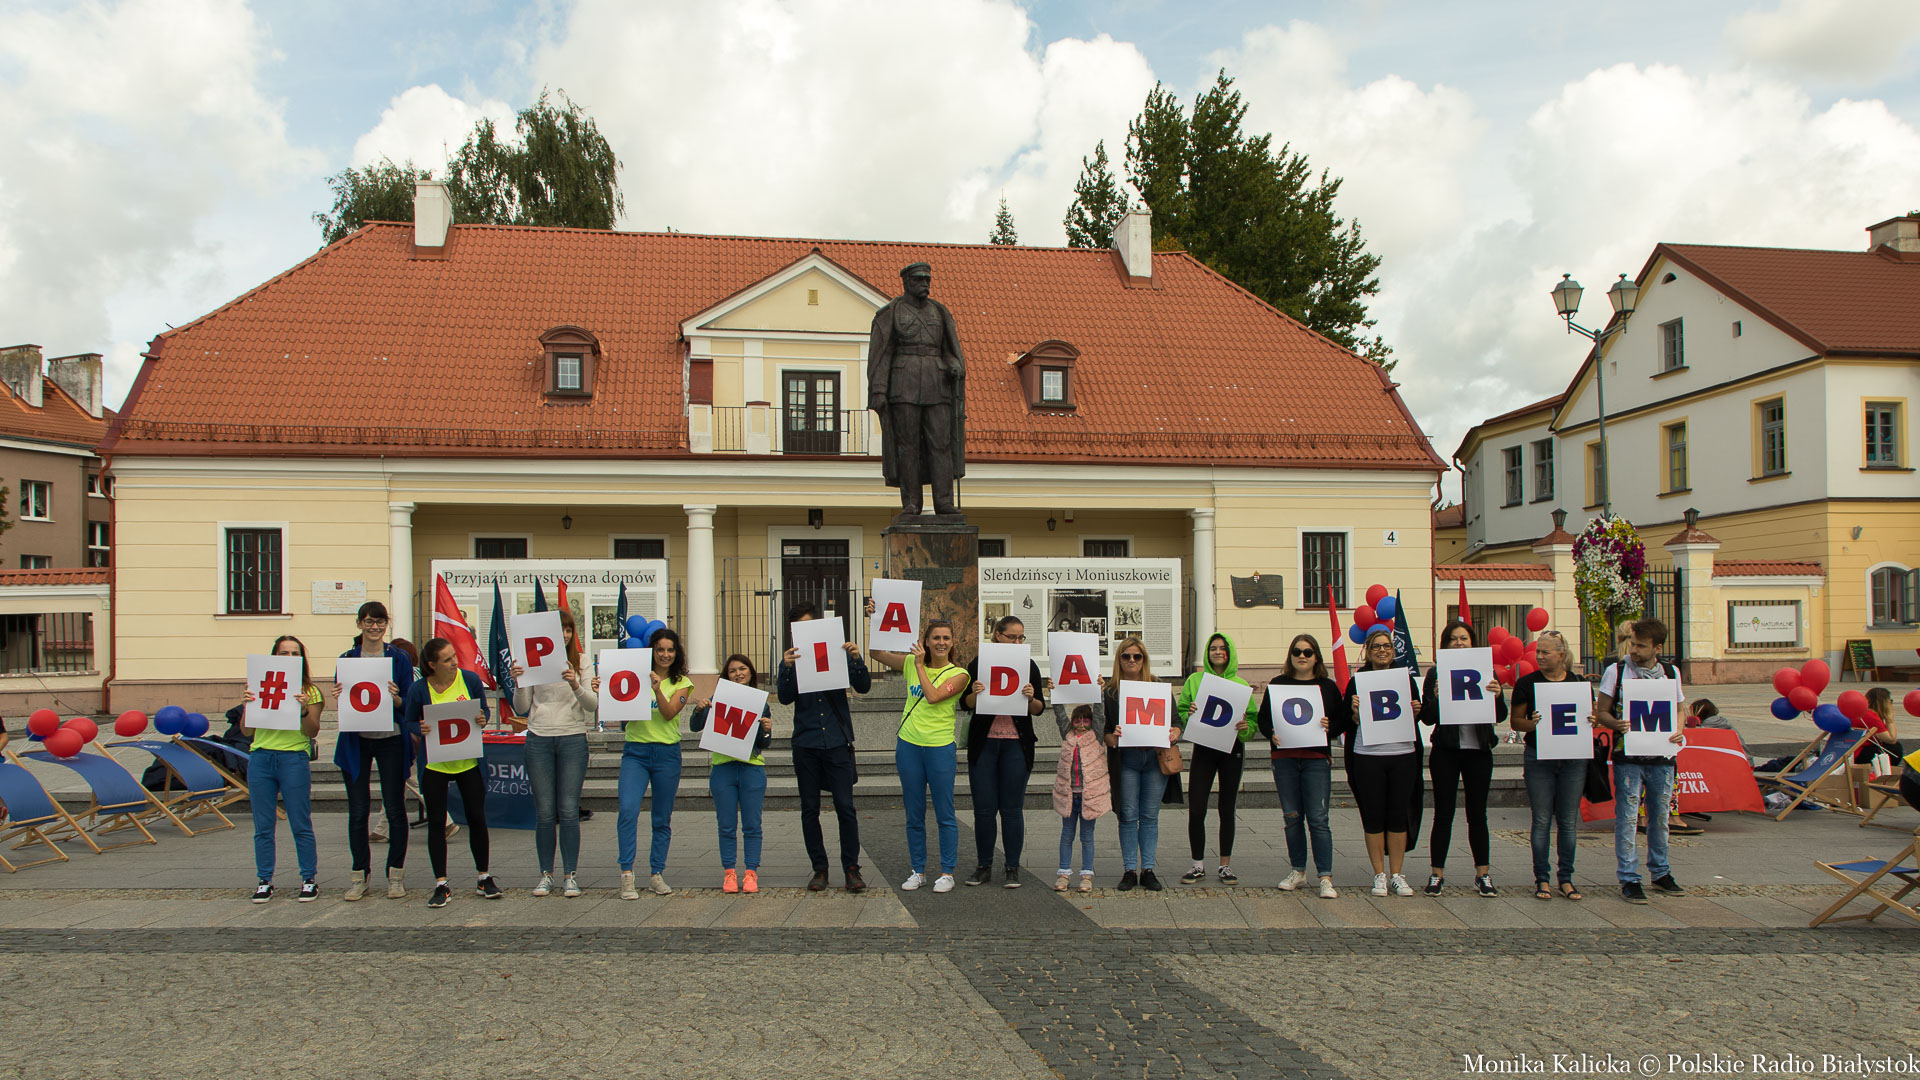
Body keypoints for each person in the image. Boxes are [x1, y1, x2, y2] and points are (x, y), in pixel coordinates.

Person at [870, 618, 969, 892]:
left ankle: (947, 872)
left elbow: (934, 696)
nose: (940, 643)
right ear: (926, 641)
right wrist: (875, 619)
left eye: (946, 638)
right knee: (914, 813)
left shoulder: (959, 674)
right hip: (909, 746)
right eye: (935, 638)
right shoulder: (910, 664)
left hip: (939, 748)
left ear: (952, 642)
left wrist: (918, 666)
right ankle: (919, 870)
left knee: (944, 812)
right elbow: (875, 654)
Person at [1594, 617, 1687, 904]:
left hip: (1661, 756)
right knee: (1628, 815)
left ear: (1657, 648)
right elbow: (1601, 711)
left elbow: (1680, 708)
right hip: (1628, 756)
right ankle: (1629, 877)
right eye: (1632, 643)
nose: (1633, 649)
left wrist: (1679, 730)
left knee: (1660, 815)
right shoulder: (1617, 671)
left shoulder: (1670, 672)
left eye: (1640, 646)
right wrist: (1616, 724)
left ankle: (1660, 871)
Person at [779, 600, 869, 893]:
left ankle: (852, 869)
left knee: (845, 806)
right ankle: (820, 868)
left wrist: (856, 658)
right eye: (799, 628)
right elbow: (784, 697)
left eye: (809, 624)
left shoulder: (836, 653)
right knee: (810, 808)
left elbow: (864, 686)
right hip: (806, 743)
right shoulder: (793, 658)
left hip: (836, 742)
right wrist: (786, 667)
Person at [405, 637, 497, 908]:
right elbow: (409, 719)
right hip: (435, 763)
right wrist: (417, 728)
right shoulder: (420, 689)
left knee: (477, 817)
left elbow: (484, 710)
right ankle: (441, 883)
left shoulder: (468, 680)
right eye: (447, 659)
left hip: (467, 761)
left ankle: (484, 876)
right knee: (436, 822)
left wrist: (483, 719)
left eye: (454, 655)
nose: (454, 661)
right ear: (432, 665)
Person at [1256, 633, 1349, 899]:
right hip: (1284, 759)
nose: (1302, 656)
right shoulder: (1277, 684)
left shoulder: (1327, 687)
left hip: (1315, 759)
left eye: (1307, 652)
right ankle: (1298, 869)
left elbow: (1342, 721)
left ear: (1316, 656)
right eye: (1297, 651)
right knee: (1292, 817)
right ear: (1291, 655)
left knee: (1319, 819)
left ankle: (1325, 876)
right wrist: (1270, 732)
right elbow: (1264, 719)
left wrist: (1331, 727)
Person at [1419, 619, 1507, 896]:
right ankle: (1436, 874)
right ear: (1445, 645)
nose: (1459, 643)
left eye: (1464, 639)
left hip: (1478, 751)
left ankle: (1483, 874)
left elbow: (1501, 716)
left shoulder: (1485, 669)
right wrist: (1435, 698)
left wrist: (1497, 696)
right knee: (1443, 814)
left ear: (1473, 642)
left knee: (1477, 815)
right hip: (1446, 751)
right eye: (1453, 639)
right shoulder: (1436, 673)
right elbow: (1427, 717)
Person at [334, 601, 415, 901]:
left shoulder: (400, 658)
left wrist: (396, 700)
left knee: (395, 808)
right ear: (359, 624)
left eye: (380, 621)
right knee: (358, 810)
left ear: (386, 624)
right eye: (369, 621)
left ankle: (396, 875)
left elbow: (410, 700)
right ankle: (359, 876)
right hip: (357, 740)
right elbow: (344, 699)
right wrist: (339, 695)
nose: (374, 627)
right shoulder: (348, 658)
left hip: (391, 737)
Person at [512, 608, 595, 899]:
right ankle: (545, 874)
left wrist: (574, 682)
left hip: (572, 738)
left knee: (569, 811)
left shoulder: (582, 662)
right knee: (545, 812)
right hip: (539, 738)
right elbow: (521, 707)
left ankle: (570, 874)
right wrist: (519, 680)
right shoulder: (532, 661)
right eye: (559, 629)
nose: (564, 634)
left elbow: (592, 705)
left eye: (569, 630)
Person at [607, 627, 692, 899]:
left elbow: (668, 714)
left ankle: (656, 873)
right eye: (660, 650)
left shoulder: (682, 682)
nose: (665, 655)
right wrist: (603, 690)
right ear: (651, 652)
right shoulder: (634, 677)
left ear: (676, 653)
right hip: (636, 752)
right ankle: (627, 875)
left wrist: (657, 691)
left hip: (667, 753)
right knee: (628, 811)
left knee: (661, 818)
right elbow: (617, 707)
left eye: (670, 650)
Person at [961, 614, 1046, 888]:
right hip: (984, 744)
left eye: (1021, 637)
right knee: (984, 810)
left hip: (1015, 745)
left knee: (1011, 809)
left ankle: (1012, 867)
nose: (1018, 642)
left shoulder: (1028, 665)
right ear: (998, 634)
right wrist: (975, 691)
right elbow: (966, 704)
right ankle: (984, 865)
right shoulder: (980, 662)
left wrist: (1031, 697)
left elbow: (1039, 709)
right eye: (1012, 636)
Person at [241, 635, 323, 903]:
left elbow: (313, 730)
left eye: (294, 653)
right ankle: (264, 880)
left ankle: (308, 878)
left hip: (293, 758)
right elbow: (246, 730)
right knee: (263, 825)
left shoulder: (310, 691)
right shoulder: (260, 683)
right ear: (274, 656)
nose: (289, 658)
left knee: (300, 822)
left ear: (301, 658)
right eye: (283, 653)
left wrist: (302, 710)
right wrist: (247, 705)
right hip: (262, 758)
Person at [1508, 630, 1585, 901]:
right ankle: (1542, 878)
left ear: (1561, 656)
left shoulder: (1577, 682)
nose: (1539, 656)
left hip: (1573, 759)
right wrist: (1534, 723)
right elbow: (1516, 722)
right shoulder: (1527, 683)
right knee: (1541, 820)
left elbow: (1591, 717)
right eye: (1538, 651)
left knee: (1567, 821)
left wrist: (1592, 719)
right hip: (1539, 757)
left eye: (1545, 652)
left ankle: (1566, 878)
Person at [1345, 627, 1422, 897]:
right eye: (1376, 646)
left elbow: (1417, 714)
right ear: (1368, 651)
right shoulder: (1358, 681)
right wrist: (1353, 713)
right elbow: (1346, 720)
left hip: (1402, 754)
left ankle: (1397, 874)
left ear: (1393, 650)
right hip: (1368, 756)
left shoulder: (1405, 679)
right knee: (1374, 816)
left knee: (1398, 816)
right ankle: (1379, 874)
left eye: (1386, 646)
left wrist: (1416, 711)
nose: (1382, 650)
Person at [689, 653, 775, 894]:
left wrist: (767, 730)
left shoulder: (761, 702)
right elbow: (695, 727)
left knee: (752, 825)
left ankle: (750, 873)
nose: (738, 673)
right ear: (726, 676)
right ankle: (729, 873)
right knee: (726, 825)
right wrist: (699, 710)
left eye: (742, 669)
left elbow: (763, 743)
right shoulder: (718, 699)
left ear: (751, 672)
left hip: (752, 769)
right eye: (732, 671)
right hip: (723, 769)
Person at [1175, 632, 1256, 885]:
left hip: (1232, 751)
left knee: (1226, 808)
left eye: (1223, 648)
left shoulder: (1241, 685)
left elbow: (1251, 721)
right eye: (1213, 648)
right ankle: (1197, 865)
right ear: (1207, 653)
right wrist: (1189, 715)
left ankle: (1225, 865)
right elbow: (1182, 713)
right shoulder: (1195, 680)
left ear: (1230, 652)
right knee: (1197, 807)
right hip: (1204, 749)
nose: (1218, 652)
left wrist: (1246, 727)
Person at [1103, 636, 1181, 891]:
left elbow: (1176, 720)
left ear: (1144, 660)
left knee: (1149, 816)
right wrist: (1113, 737)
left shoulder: (1157, 686)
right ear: (1119, 660)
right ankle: (1129, 870)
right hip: (1126, 759)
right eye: (1126, 656)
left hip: (1154, 758)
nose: (1132, 661)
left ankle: (1147, 869)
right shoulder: (1111, 692)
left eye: (1137, 656)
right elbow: (1104, 732)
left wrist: (1175, 732)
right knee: (1127, 816)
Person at [1052, 704, 1109, 893]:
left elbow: (1100, 715)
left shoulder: (1097, 737)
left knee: (1087, 837)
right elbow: (1060, 715)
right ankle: (1064, 872)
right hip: (1068, 795)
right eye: (1077, 721)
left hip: (1088, 796)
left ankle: (1086, 874)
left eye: (1086, 721)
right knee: (1066, 835)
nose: (1082, 725)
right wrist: (1055, 695)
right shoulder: (1067, 736)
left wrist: (1099, 692)